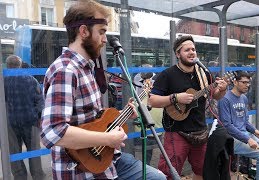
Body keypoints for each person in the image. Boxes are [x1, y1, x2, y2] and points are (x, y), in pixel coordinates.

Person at [40, 1, 166, 179]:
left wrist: (123, 114)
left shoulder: (86, 68)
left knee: (157, 177)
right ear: (83, 31)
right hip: (80, 170)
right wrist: (107, 139)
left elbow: (92, 120)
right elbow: (52, 132)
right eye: (102, 31)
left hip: (108, 160)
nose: (105, 39)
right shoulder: (66, 71)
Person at [148, 35, 227, 180]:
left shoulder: (203, 73)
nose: (192, 52)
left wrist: (222, 89)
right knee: (169, 173)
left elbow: (214, 96)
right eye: (187, 50)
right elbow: (152, 100)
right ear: (178, 54)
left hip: (200, 131)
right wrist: (175, 98)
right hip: (176, 132)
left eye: (193, 49)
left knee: (202, 170)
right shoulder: (167, 75)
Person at [218, 71, 259, 180]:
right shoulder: (224, 99)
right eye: (244, 82)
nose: (247, 85)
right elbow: (227, 126)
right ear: (235, 82)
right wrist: (247, 139)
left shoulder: (244, 98)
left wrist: (255, 130)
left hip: (246, 135)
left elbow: (245, 122)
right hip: (232, 138)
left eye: (248, 82)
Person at [4, 55, 46, 180]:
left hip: (11, 123)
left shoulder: (2, 81)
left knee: (14, 152)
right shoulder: (30, 80)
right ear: (20, 64)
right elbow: (40, 102)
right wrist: (39, 118)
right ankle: (37, 176)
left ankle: (20, 176)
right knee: (34, 151)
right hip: (30, 121)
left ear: (7, 66)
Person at [133, 63, 164, 165]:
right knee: (141, 153)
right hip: (142, 128)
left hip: (156, 127)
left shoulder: (156, 81)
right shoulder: (138, 80)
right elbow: (138, 79)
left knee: (151, 153)